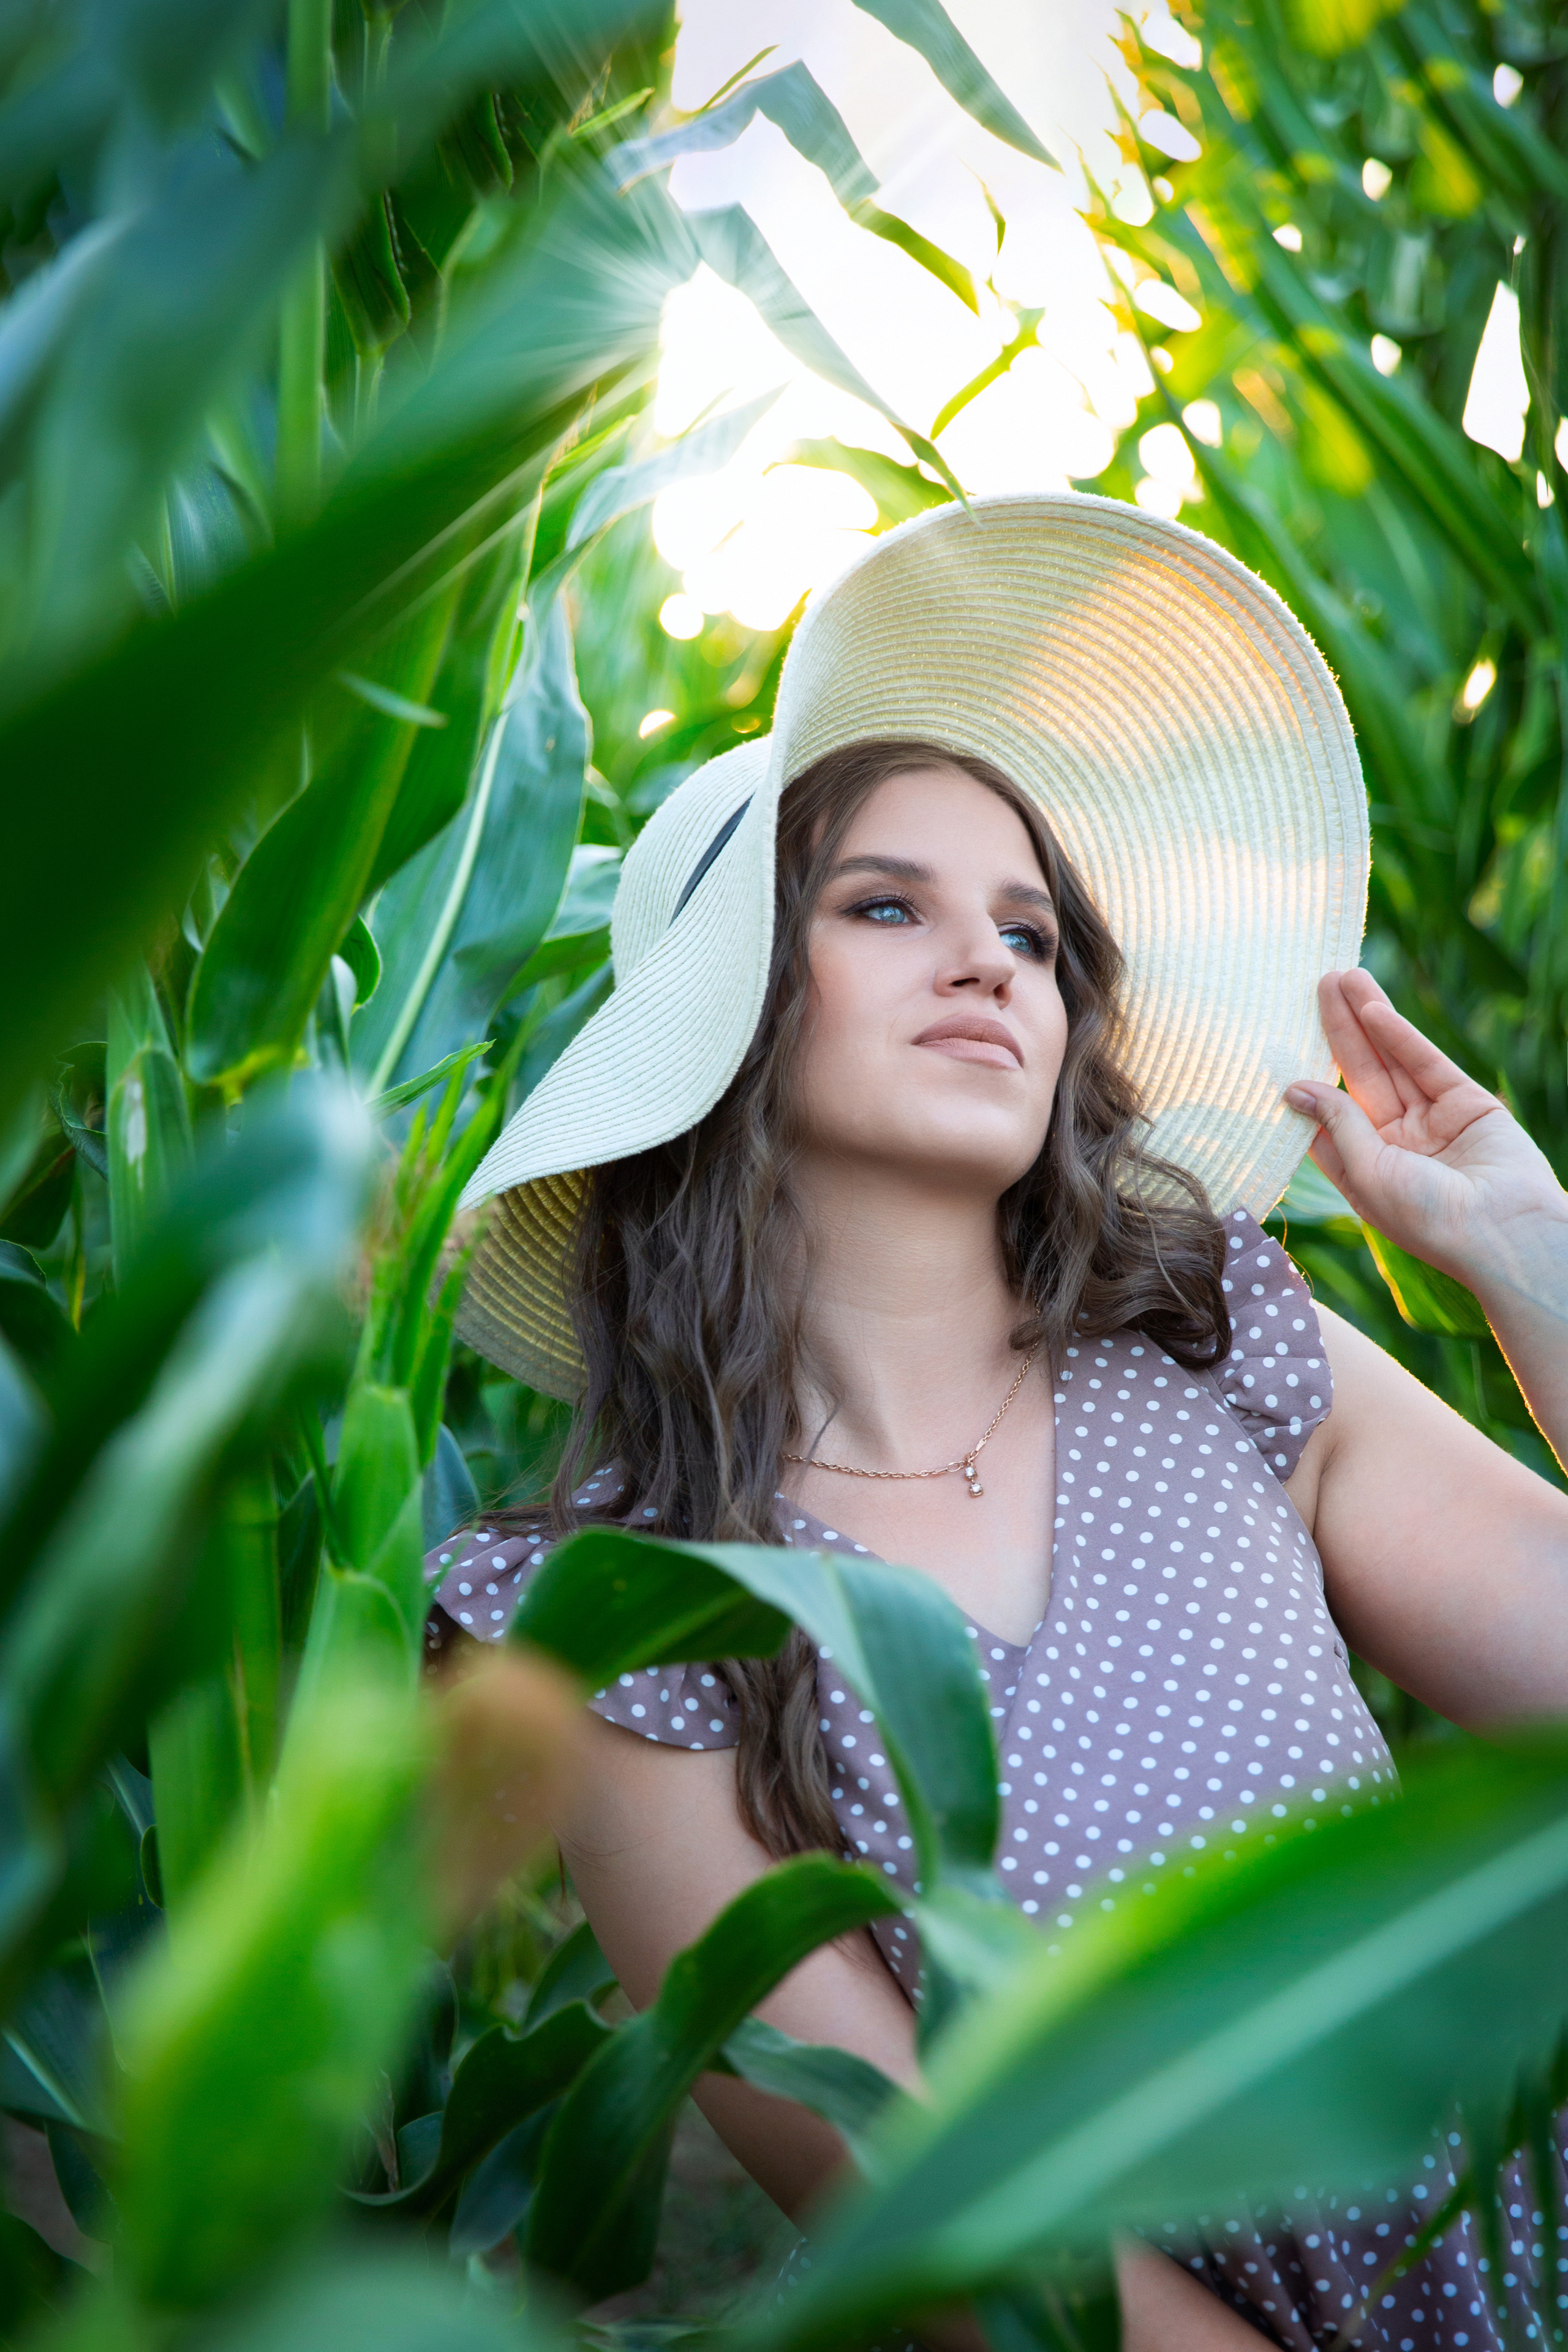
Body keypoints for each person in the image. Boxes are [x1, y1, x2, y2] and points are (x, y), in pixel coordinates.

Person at [427, 495, 1568, 2351]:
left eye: (1034, 936)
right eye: (889, 907)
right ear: (731, 1017)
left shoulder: (1222, 1354)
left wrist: (1538, 1269)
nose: (991, 966)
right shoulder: (622, 1621)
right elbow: (955, 2251)